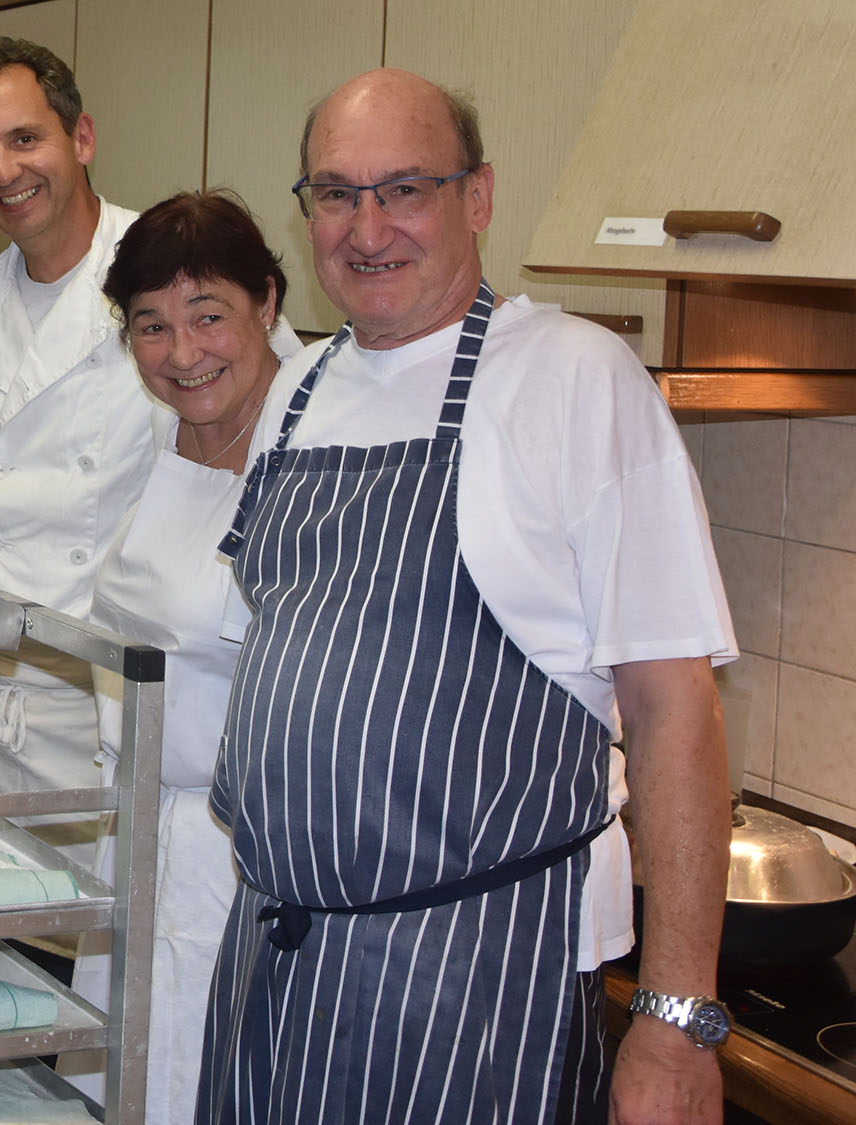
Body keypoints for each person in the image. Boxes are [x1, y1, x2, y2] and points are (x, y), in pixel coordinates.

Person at [200, 68, 735, 1124]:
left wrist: (675, 1017)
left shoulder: (571, 379)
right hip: (271, 955)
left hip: (475, 978)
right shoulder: (295, 392)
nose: (366, 228)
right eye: (334, 194)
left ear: (475, 198)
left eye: (404, 188)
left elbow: (677, 711)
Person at [59, 192, 303, 1122]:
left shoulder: (313, 449)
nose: (182, 352)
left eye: (210, 315)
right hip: (139, 837)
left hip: (241, 860)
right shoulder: (170, 431)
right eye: (151, 326)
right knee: (122, 1087)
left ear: (268, 303)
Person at [0, 37, 157, 859]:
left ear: (80, 139)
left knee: (95, 962)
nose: (4, 170)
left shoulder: (171, 270)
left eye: (23, 139)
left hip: (110, 703)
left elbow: (266, 452)